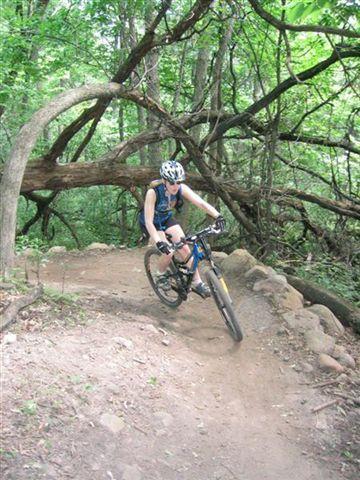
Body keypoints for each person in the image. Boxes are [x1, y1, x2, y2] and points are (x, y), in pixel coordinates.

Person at [139, 160, 225, 297]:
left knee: (185, 248)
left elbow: (201, 203)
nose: (175, 186)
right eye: (172, 182)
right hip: (151, 223)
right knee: (168, 251)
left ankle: (197, 283)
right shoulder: (153, 192)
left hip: (166, 219)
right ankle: (160, 275)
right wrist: (159, 242)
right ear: (164, 180)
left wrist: (218, 216)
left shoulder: (181, 188)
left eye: (178, 182)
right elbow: (149, 222)